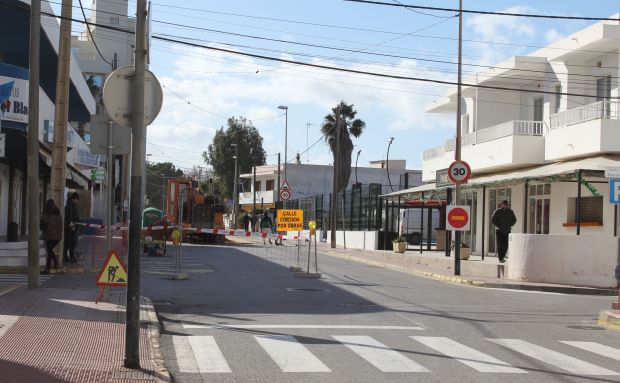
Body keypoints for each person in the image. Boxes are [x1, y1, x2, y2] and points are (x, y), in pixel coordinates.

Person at [40, 199, 62, 273]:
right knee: (50, 251)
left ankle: (49, 267)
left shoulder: (46, 213)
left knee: (49, 251)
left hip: (48, 236)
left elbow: (43, 224)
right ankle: (54, 263)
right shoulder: (58, 213)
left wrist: (43, 229)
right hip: (57, 237)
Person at [63, 192, 80, 264]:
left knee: (68, 244)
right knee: (71, 243)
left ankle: (67, 257)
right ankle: (70, 257)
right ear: (74, 199)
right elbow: (69, 216)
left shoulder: (70, 205)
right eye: (77, 199)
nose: (78, 201)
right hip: (71, 229)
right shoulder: (70, 206)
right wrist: (72, 225)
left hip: (70, 229)